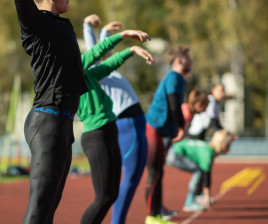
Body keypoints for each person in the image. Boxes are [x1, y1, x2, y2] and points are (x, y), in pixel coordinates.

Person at [14, 0, 88, 224]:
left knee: (49, 208)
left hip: (62, 125)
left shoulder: (62, 24)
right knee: (39, 208)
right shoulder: (36, 23)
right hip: (48, 121)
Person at [78, 27, 153, 224]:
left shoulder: (88, 75)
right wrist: (124, 34)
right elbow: (96, 52)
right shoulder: (70, 71)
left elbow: (108, 63)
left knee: (110, 195)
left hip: (109, 129)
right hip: (95, 134)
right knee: (103, 197)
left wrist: (131, 51)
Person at [145, 46, 192, 224]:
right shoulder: (173, 77)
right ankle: (151, 216)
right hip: (154, 128)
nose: (191, 62)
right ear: (179, 61)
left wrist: (175, 129)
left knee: (159, 172)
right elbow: (173, 105)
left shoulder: (179, 79)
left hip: (163, 130)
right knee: (154, 173)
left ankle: (157, 212)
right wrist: (181, 127)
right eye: (188, 58)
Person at [166, 130, 236, 211]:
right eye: (228, 145)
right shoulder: (208, 153)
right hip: (175, 154)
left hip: (175, 151)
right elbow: (207, 178)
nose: (229, 147)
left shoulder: (208, 149)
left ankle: (196, 196)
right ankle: (189, 202)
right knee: (198, 171)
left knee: (200, 170)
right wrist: (207, 199)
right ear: (222, 145)